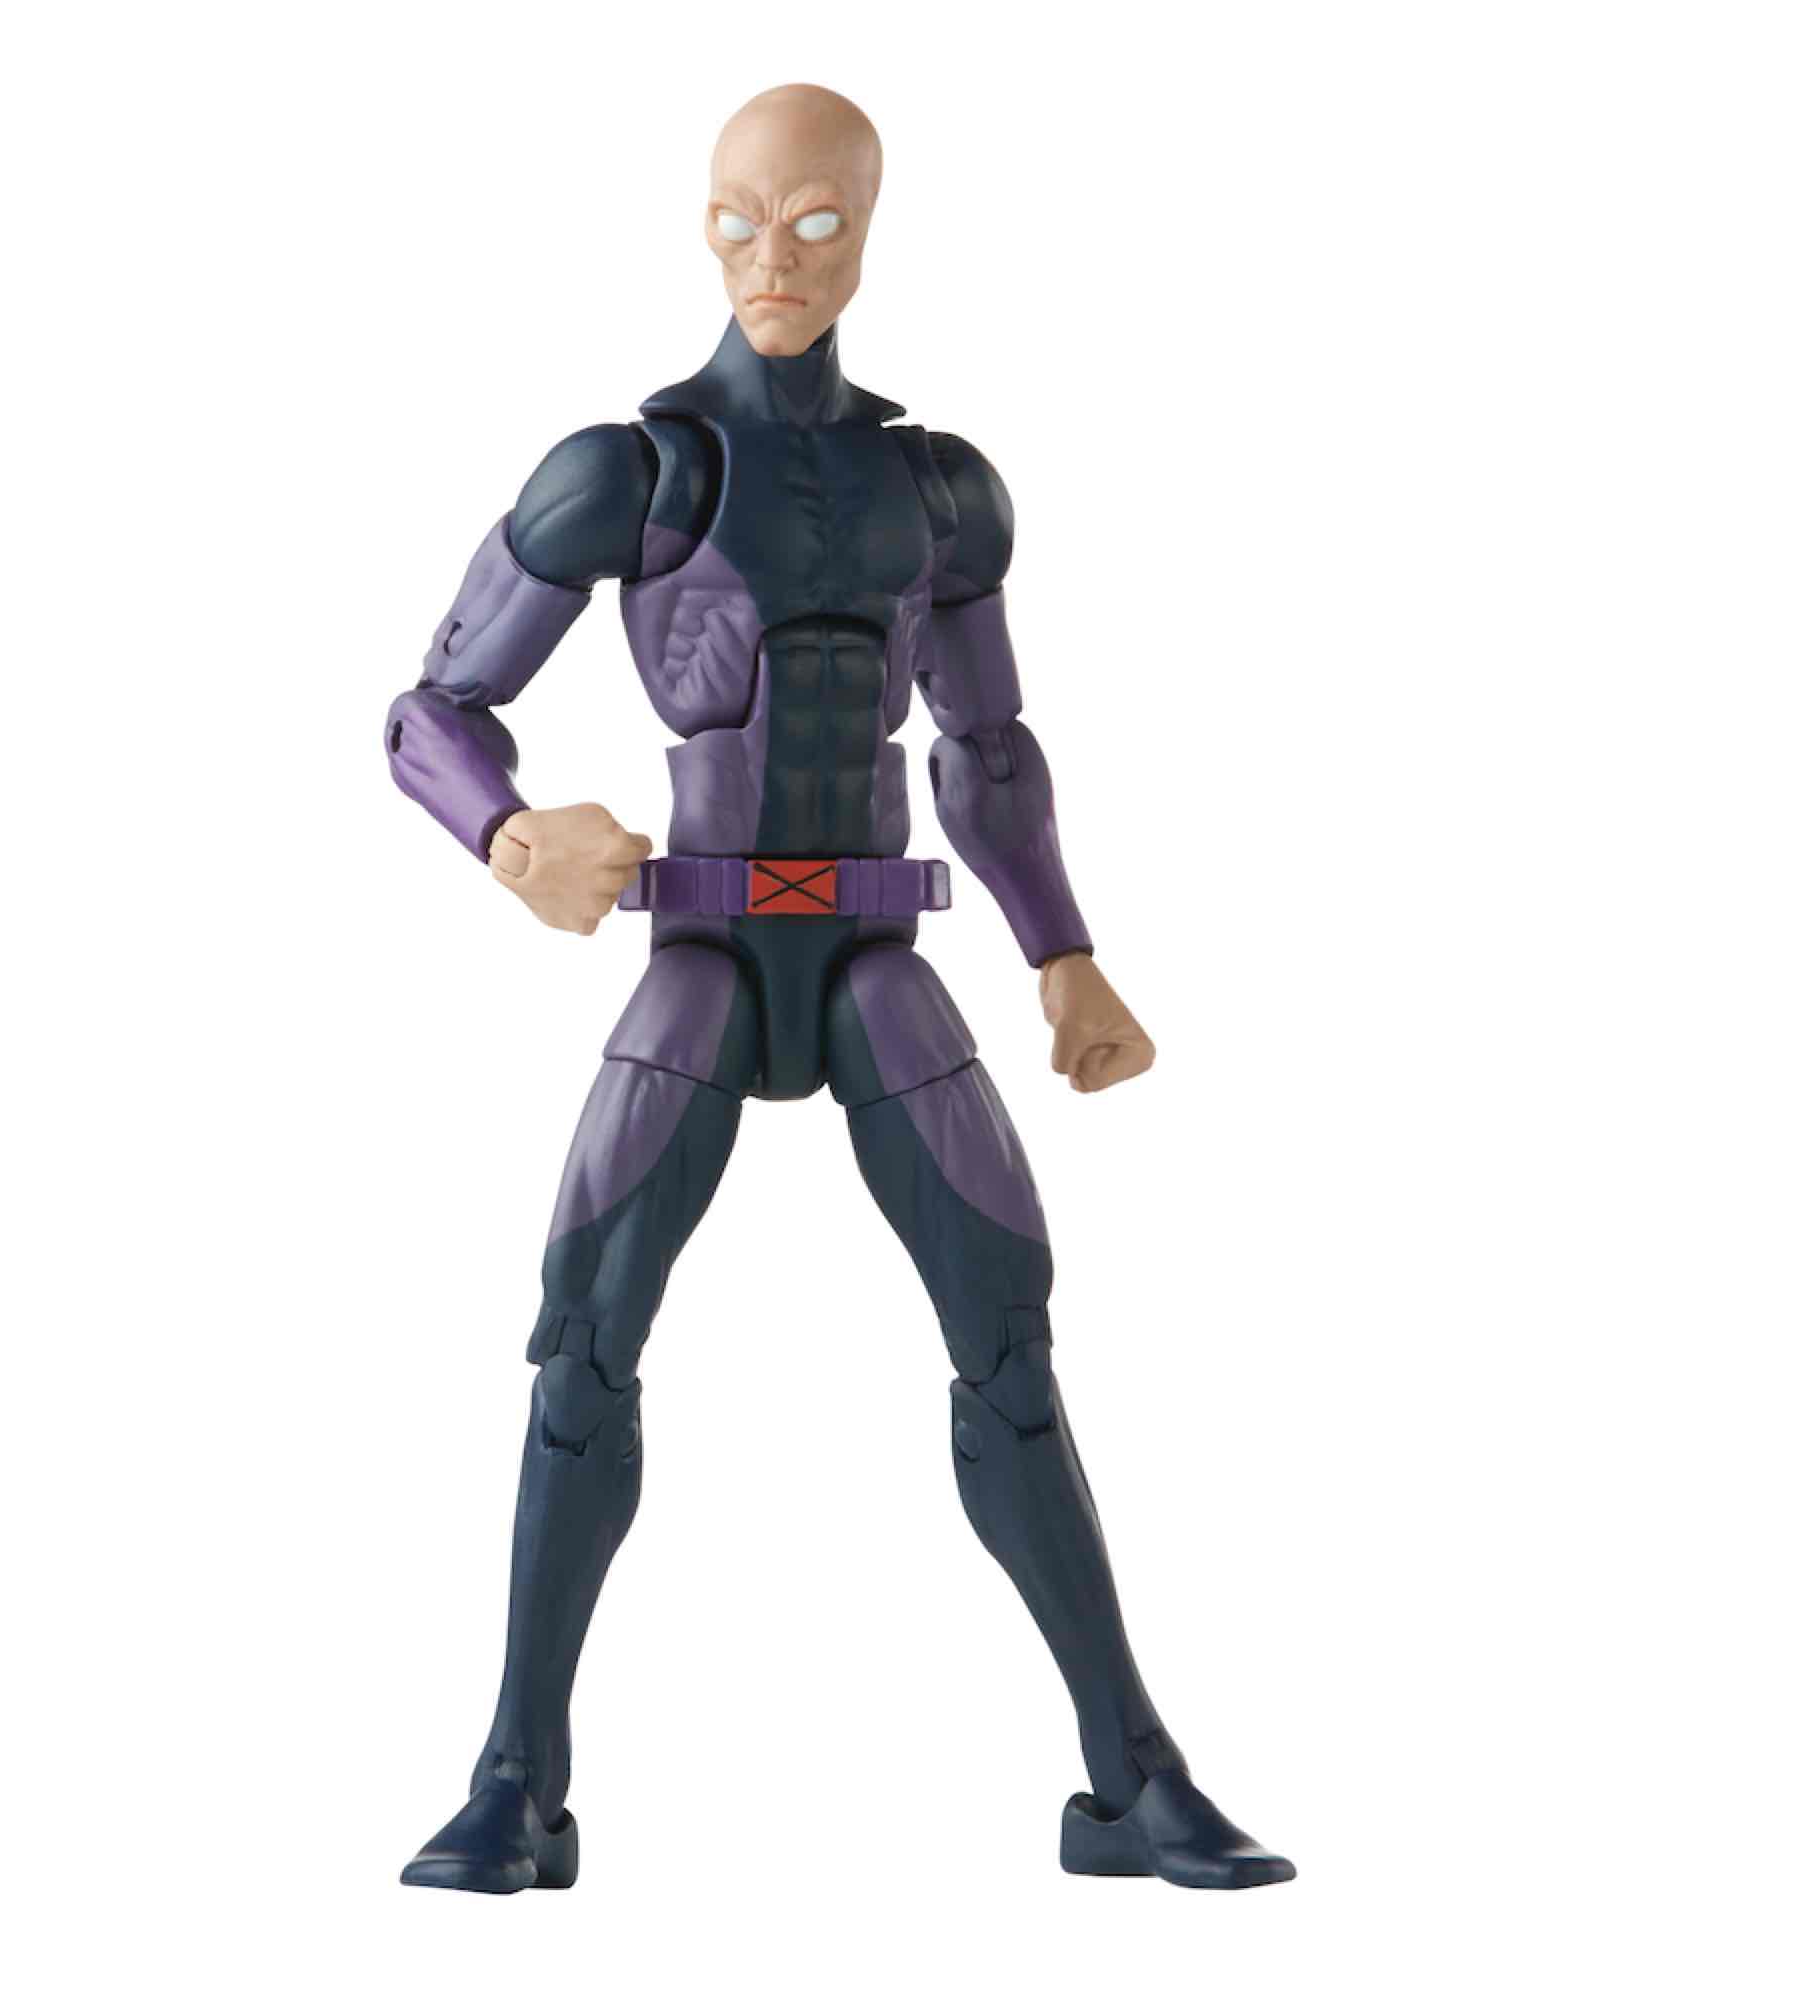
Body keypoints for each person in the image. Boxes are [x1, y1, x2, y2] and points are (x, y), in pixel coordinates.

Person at [386, 83, 1292, 1893]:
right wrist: (506, 835)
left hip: (877, 951)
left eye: (815, 221)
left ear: (868, 229)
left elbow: (987, 745)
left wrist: (1064, 952)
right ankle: (515, 1784)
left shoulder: (937, 489)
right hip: (705, 952)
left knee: (1011, 1344)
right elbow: (431, 708)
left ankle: (1131, 1784)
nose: (774, 258)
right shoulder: (628, 474)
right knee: (584, 1341)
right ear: (699, 222)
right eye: (741, 219)